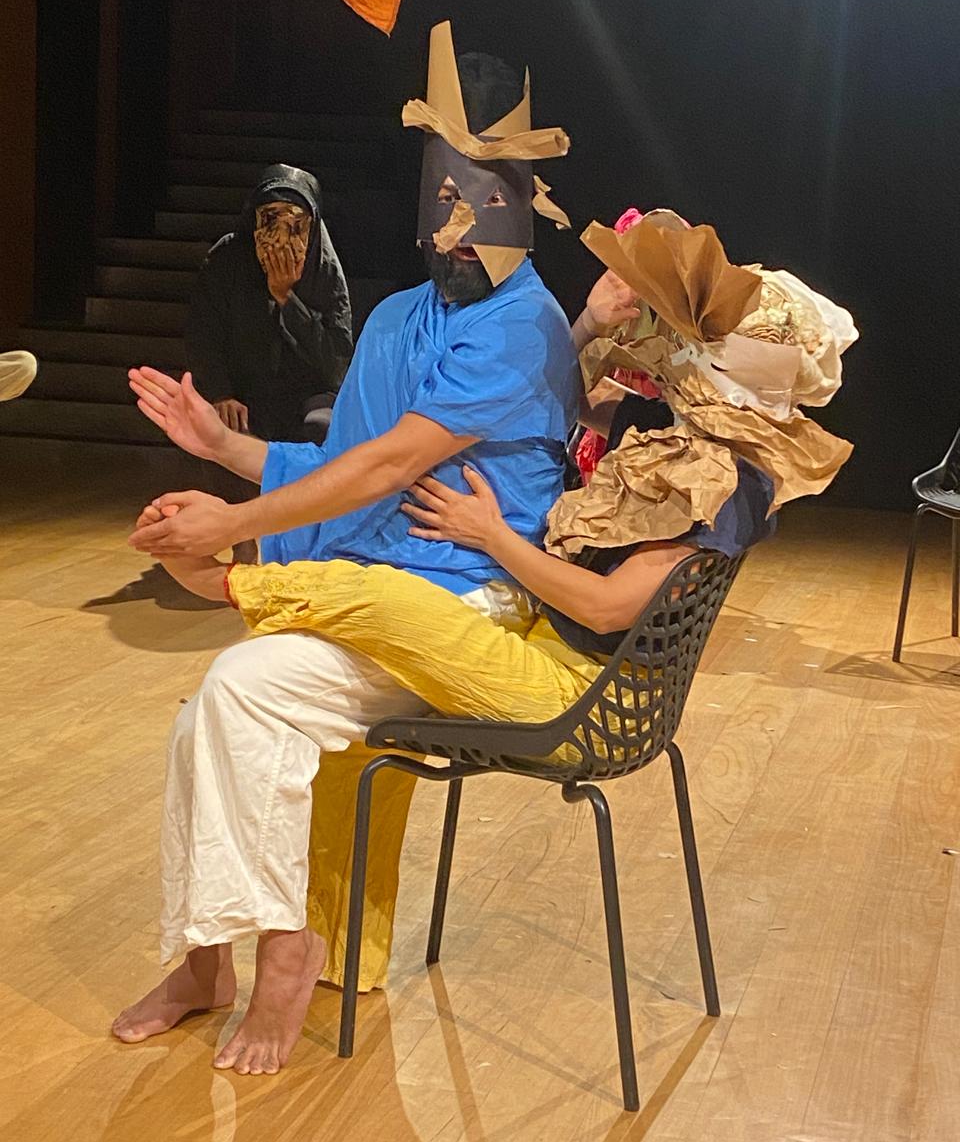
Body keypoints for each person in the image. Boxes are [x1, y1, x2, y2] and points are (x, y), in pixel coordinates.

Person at [112, 21, 579, 1075]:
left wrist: (233, 526)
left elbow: (389, 466)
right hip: (367, 586)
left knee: (238, 691)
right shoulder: (398, 319)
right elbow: (346, 466)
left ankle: (283, 955)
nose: (456, 233)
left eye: (481, 206)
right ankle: (206, 960)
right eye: (442, 203)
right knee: (211, 715)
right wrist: (224, 447)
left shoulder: (525, 327)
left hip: (462, 603)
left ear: (519, 204)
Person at [145, 209, 857, 756]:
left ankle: (232, 583)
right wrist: (226, 446)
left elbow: (607, 608)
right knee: (353, 623)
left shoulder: (723, 480)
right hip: (547, 649)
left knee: (384, 601)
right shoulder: (683, 445)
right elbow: (518, 408)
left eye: (695, 346)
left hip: (583, 697)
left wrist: (492, 536)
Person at [185, 163, 353, 444]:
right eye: (270, 220)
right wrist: (221, 393)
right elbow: (203, 336)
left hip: (306, 395)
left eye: (295, 226)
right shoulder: (227, 260)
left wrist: (286, 298)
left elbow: (336, 364)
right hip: (242, 389)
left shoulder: (323, 271)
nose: (281, 239)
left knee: (321, 427)